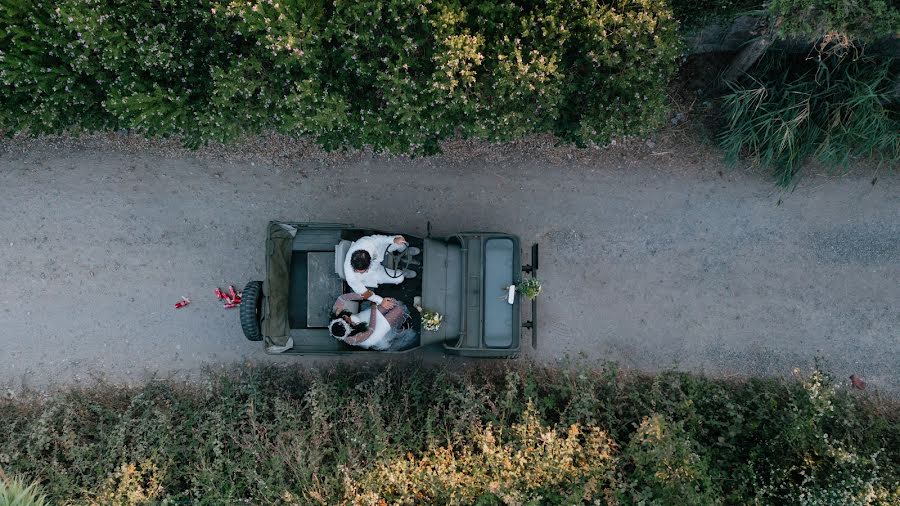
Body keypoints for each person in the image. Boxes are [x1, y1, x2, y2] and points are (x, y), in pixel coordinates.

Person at [343, 234, 421, 306]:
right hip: (373, 275)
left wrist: (393, 239)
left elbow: (379, 239)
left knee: (401, 243)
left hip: (378, 256)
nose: (366, 271)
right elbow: (364, 293)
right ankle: (402, 271)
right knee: (400, 278)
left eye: (365, 269)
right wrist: (380, 301)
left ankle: (405, 251)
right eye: (361, 271)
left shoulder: (365, 243)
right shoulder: (351, 277)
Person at [328, 293, 417, 350]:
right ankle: (402, 324)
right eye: (348, 322)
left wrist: (366, 296)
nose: (346, 317)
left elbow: (342, 298)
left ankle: (397, 321)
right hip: (372, 332)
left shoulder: (337, 314)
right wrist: (373, 306)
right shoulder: (353, 339)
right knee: (399, 310)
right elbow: (371, 329)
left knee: (391, 302)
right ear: (348, 330)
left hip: (363, 318)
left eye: (343, 318)